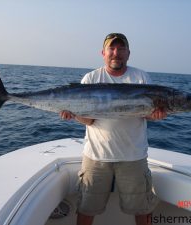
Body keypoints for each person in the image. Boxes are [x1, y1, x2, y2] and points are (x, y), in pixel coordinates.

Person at [60, 33, 167, 225]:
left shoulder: (141, 77)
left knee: (142, 209)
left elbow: (145, 114)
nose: (116, 53)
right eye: (112, 48)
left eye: (121, 49)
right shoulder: (91, 77)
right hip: (96, 156)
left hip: (133, 156)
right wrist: (73, 114)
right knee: (86, 208)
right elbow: (90, 121)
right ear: (103, 53)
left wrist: (156, 115)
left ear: (128, 53)